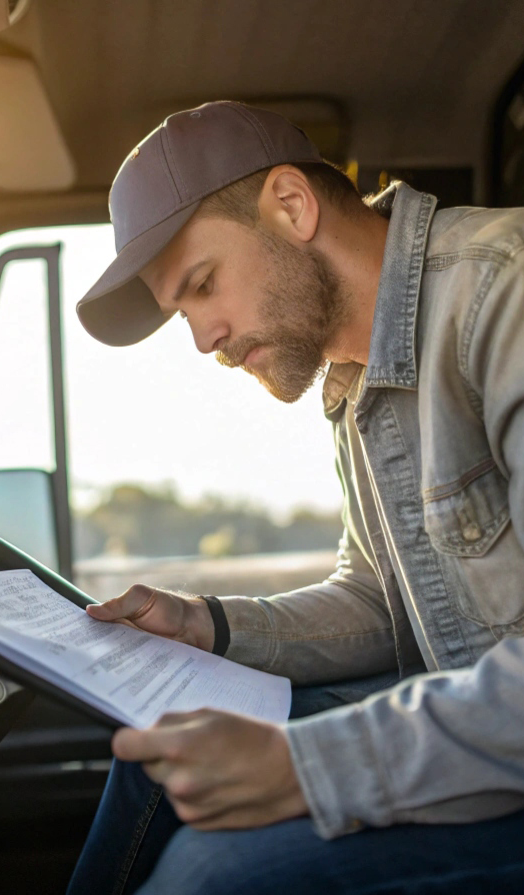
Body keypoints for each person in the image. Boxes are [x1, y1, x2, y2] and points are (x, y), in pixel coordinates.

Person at [68, 100, 524, 894]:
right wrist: (207, 623)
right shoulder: (356, 378)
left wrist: (303, 766)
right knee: (167, 757)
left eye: (203, 285)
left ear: (291, 204)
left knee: (212, 873)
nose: (204, 339)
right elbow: (383, 603)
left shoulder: (502, 297)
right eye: (184, 311)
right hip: (481, 727)